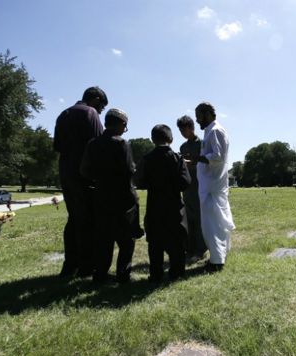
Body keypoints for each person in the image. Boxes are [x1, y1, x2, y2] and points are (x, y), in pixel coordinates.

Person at [80, 108, 143, 284]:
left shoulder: (92, 144)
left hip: (100, 197)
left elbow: (84, 171)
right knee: (126, 241)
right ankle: (123, 274)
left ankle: (100, 274)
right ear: (121, 123)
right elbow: (129, 171)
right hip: (122, 199)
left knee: (103, 240)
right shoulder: (122, 144)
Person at [53, 86, 107, 277]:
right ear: (96, 99)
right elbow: (98, 145)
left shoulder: (63, 114)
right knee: (89, 221)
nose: (101, 111)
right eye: (102, 107)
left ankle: (70, 265)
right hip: (85, 176)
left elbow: (58, 146)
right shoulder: (90, 113)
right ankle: (87, 267)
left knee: (74, 219)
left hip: (66, 174)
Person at [135, 124, 191, 283]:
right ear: (171, 139)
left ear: (153, 139)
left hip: (155, 206)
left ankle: (156, 273)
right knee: (177, 243)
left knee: (155, 243)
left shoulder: (147, 159)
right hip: (174, 206)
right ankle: (177, 272)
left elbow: (139, 181)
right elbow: (185, 182)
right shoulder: (177, 158)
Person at [193, 102, 235, 272]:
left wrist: (198, 158)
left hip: (213, 186)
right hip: (210, 185)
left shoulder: (216, 130)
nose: (197, 120)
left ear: (207, 113)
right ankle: (218, 256)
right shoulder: (209, 131)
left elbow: (218, 156)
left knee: (212, 225)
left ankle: (217, 262)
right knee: (215, 223)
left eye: (199, 116)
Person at [176, 115, 207, 263]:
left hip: (200, 186)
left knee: (200, 219)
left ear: (191, 128)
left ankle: (201, 250)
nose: (182, 133)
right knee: (189, 219)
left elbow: (206, 164)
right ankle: (190, 249)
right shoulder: (182, 147)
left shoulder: (202, 144)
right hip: (187, 188)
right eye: (180, 130)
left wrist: (191, 163)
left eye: (184, 130)